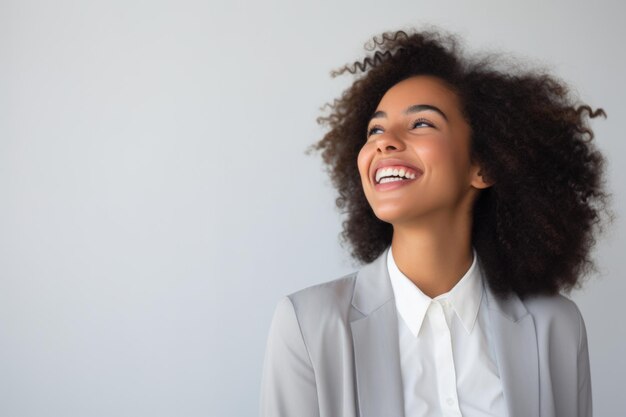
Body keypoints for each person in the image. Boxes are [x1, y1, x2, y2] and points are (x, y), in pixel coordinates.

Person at [259, 28, 612, 417]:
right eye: (375, 129)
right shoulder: (308, 325)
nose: (384, 142)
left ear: (484, 165)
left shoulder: (556, 326)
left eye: (421, 123)